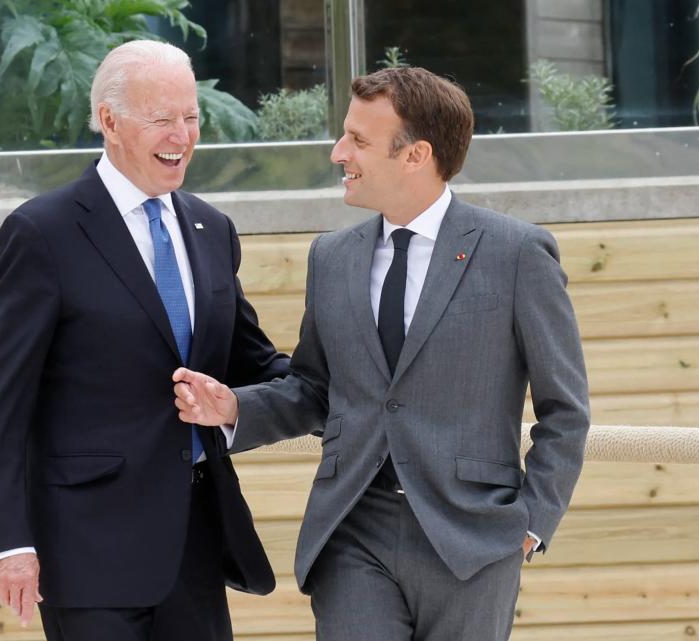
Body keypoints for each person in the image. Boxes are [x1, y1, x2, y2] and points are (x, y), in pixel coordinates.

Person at [173, 67, 590, 641]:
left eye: (358, 141)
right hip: (352, 527)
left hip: (471, 536)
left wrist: (530, 524)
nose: (338, 152)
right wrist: (234, 409)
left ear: (416, 154)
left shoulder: (517, 253)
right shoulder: (332, 256)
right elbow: (315, 388)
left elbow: (565, 411)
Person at [0, 40, 289, 641]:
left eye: (191, 117)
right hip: (85, 547)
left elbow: (257, 363)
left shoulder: (210, 228)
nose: (183, 134)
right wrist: (9, 542)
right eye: (162, 118)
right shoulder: (42, 232)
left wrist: (355, 381)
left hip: (194, 542)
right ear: (109, 121)